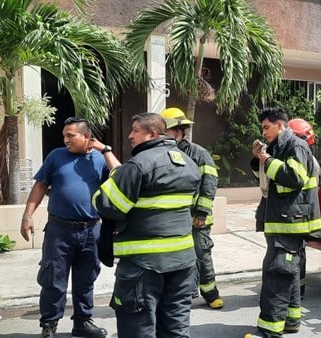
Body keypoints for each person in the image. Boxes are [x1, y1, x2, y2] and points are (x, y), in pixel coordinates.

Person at [93, 113, 201, 338]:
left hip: (143, 265)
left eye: (135, 130)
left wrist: (108, 186)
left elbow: (107, 205)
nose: (130, 135)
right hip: (183, 262)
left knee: (138, 329)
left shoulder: (138, 165)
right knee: (176, 327)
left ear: (152, 134)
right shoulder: (189, 163)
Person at [20, 117, 113, 338]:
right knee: (53, 279)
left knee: (86, 279)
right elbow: (41, 184)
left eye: (70, 136)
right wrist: (27, 216)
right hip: (59, 231)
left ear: (86, 137)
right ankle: (49, 325)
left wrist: (105, 150)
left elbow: (120, 176)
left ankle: (82, 322)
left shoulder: (99, 160)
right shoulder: (56, 156)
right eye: (64, 135)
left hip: (91, 231)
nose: (65, 140)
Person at [247, 107, 321, 338]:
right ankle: (291, 321)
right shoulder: (279, 146)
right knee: (287, 273)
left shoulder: (296, 145)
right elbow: (269, 181)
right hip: (283, 222)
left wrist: (267, 158)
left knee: (277, 275)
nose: (264, 132)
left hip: (290, 223)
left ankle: (269, 331)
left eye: (266, 127)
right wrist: (259, 158)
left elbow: (294, 178)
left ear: (280, 125)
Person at [160, 107, 224, 309]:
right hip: (174, 219)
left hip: (196, 218)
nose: (163, 136)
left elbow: (210, 182)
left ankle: (210, 293)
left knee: (201, 254)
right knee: (178, 259)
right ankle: (186, 293)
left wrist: (202, 212)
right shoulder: (164, 154)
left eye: (165, 132)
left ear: (177, 132)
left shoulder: (198, 154)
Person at [287, 118, 320, 301]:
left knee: (294, 256)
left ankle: (296, 293)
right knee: (298, 254)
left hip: (298, 215)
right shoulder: (310, 159)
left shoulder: (303, 160)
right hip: (303, 214)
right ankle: (298, 291)